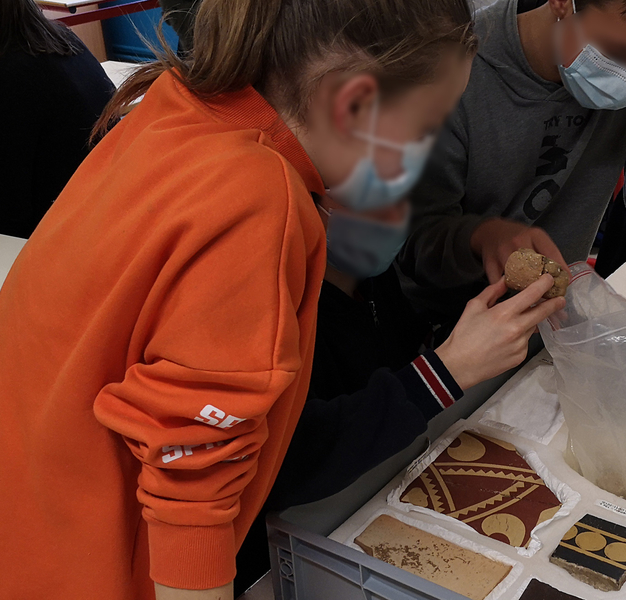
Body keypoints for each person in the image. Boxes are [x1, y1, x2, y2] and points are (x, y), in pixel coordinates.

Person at [0, 0, 488, 599]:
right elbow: (194, 482)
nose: (420, 156)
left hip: (34, 531)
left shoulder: (169, 105)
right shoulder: (259, 196)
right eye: (422, 129)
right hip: (101, 572)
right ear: (353, 103)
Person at [233, 194, 565, 592]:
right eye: (366, 198)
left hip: (382, 484)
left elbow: (400, 354)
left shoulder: (375, 280)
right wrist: (446, 371)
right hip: (290, 543)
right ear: (307, 199)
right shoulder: (275, 313)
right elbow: (291, 461)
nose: (388, 217)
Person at [399, 0, 626, 346]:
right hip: (442, 330)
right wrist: (481, 235)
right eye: (619, 53)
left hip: (549, 319)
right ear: (560, 4)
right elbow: (413, 239)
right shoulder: (458, 64)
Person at [0, 0, 114, 238]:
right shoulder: (60, 38)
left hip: (59, 237)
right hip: (109, 214)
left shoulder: (12, 73)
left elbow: (10, 212)